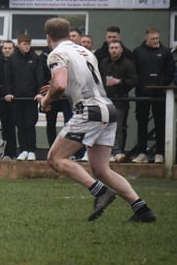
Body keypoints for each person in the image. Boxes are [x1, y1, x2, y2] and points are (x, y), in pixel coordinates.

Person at [40, 17, 156, 223]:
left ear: (48, 37)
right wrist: (56, 91)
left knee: (55, 159)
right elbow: (74, 84)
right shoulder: (84, 52)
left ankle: (101, 192)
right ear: (68, 34)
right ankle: (142, 210)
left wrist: (46, 99)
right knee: (101, 168)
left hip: (89, 110)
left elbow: (59, 84)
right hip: (108, 108)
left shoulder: (56, 53)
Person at [131, 27, 175, 164]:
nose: (156, 41)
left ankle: (160, 153)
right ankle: (142, 152)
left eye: (157, 38)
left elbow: (170, 71)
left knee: (160, 123)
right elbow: (134, 71)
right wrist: (140, 84)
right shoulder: (138, 52)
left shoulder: (165, 52)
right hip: (142, 93)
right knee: (142, 123)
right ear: (146, 38)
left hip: (159, 93)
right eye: (153, 39)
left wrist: (161, 84)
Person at [3, 34, 43, 161]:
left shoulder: (35, 59)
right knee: (19, 125)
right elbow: (8, 78)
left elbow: (39, 77)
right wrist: (8, 92)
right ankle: (23, 150)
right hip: (17, 98)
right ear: (19, 44)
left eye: (28, 44)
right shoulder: (12, 60)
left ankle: (32, 150)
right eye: (24, 44)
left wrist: (39, 93)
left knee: (30, 124)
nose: (27, 46)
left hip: (31, 98)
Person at [98, 40, 138, 163]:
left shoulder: (127, 64)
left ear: (121, 49)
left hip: (121, 99)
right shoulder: (104, 63)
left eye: (116, 47)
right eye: (111, 47)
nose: (114, 50)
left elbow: (134, 81)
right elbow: (98, 78)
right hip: (106, 99)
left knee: (119, 126)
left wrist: (120, 82)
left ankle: (119, 152)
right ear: (108, 49)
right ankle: (112, 152)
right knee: (105, 125)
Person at [0, 40, 17, 158]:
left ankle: (13, 152)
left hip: (14, 98)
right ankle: (6, 153)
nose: (7, 50)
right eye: (5, 48)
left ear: (13, 49)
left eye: (9, 48)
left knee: (13, 127)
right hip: (0, 98)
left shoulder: (16, 62)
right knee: (5, 126)